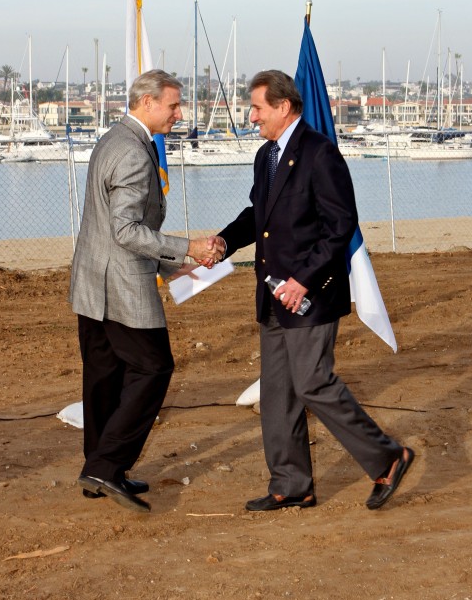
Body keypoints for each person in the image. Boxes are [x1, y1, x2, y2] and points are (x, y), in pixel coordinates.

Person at [211, 70, 414, 512]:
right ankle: (291, 484)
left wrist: (304, 278)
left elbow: (340, 225)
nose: (252, 116)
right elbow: (257, 215)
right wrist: (225, 241)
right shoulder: (265, 155)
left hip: (309, 294)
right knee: (278, 394)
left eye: (257, 107)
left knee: (313, 383)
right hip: (272, 295)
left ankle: (387, 456)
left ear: (283, 107)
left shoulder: (320, 153)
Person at [69, 70, 221, 512]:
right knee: (154, 369)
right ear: (147, 103)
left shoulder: (112, 139)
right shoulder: (135, 153)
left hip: (92, 283)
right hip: (121, 288)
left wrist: (174, 262)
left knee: (104, 376)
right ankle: (106, 464)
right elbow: (126, 230)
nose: (179, 113)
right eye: (173, 105)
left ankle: (100, 468)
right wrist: (186, 249)